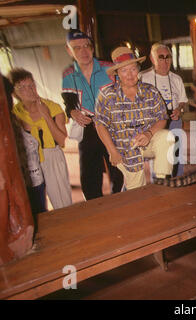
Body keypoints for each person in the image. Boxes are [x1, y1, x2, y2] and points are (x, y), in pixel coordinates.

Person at [94, 47, 174, 190]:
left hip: (147, 141)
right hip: (122, 147)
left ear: (138, 70)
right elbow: (100, 125)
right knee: (136, 190)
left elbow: (162, 118)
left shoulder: (151, 91)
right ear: (117, 73)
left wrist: (149, 133)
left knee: (167, 137)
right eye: (124, 70)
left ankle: (162, 184)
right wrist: (112, 151)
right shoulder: (107, 95)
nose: (130, 75)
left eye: (133, 69)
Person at [62, 29, 123, 200]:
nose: (83, 51)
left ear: (92, 48)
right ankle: (96, 211)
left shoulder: (109, 68)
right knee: (89, 177)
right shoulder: (68, 75)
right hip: (87, 127)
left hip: (112, 125)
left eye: (87, 46)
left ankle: (120, 203)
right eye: (77, 48)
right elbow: (68, 103)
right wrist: (72, 112)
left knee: (119, 169)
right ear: (69, 50)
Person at [10, 68, 72, 210]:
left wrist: (46, 116)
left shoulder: (52, 107)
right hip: (29, 161)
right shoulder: (15, 113)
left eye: (31, 85)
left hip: (52, 156)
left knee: (62, 202)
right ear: (14, 92)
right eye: (22, 87)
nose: (30, 90)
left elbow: (62, 141)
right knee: (35, 205)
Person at [140, 43, 188, 177]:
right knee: (159, 152)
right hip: (152, 121)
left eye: (168, 57)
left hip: (173, 119)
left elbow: (182, 100)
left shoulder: (176, 79)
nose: (165, 61)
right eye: (161, 57)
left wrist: (179, 109)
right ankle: (158, 183)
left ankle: (176, 179)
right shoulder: (143, 77)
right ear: (152, 58)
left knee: (176, 152)